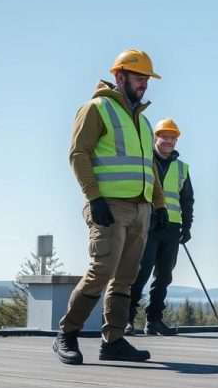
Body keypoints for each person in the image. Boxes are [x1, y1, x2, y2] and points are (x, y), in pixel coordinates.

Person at [53, 49, 169, 365]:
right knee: (101, 270)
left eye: (147, 78)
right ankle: (67, 334)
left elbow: (149, 166)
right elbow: (78, 154)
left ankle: (114, 341)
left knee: (126, 278)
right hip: (108, 207)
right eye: (139, 77)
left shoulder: (144, 123)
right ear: (119, 77)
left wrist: (158, 205)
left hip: (140, 209)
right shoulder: (96, 109)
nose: (144, 83)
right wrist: (94, 198)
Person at [126, 118, 193, 336]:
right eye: (165, 136)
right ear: (156, 137)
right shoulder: (144, 161)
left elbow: (187, 200)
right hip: (147, 224)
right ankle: (126, 319)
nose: (169, 141)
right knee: (140, 273)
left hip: (172, 228)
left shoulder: (182, 168)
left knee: (164, 276)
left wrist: (187, 226)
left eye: (173, 138)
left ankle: (154, 320)